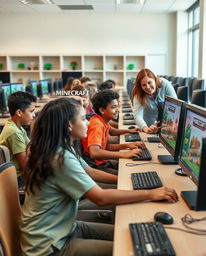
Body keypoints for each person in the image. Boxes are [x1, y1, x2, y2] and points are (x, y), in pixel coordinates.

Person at [20, 98, 179, 256]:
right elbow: (100, 198)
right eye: (83, 119)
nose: (87, 123)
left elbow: (91, 172)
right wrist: (150, 193)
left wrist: (126, 179)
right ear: (69, 125)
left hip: (65, 228)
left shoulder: (62, 147)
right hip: (49, 246)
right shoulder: (60, 158)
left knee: (130, 233)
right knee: (132, 249)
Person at [81, 90, 142, 175]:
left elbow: (106, 145)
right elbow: (94, 153)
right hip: (96, 166)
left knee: (135, 166)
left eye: (117, 106)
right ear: (102, 110)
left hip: (102, 161)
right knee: (129, 174)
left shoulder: (101, 120)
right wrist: (123, 154)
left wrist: (127, 145)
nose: (118, 110)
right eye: (114, 107)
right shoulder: (97, 125)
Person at [0, 91, 37, 188]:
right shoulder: (14, 132)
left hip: (20, 176)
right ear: (19, 112)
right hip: (19, 179)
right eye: (31, 111)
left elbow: (31, 150)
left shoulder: (17, 127)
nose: (34, 115)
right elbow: (26, 167)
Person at [132, 68, 177, 133]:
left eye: (149, 82)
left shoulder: (165, 85)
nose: (147, 87)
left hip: (167, 127)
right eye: (143, 85)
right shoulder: (138, 93)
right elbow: (137, 115)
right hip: (149, 127)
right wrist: (146, 129)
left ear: (155, 79)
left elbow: (176, 106)